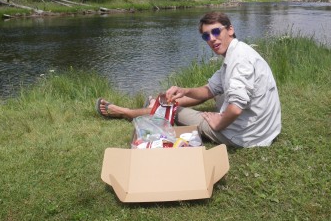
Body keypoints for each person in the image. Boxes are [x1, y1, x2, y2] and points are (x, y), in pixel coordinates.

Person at [96, 11, 281, 148]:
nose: (212, 39)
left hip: (245, 135)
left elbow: (236, 108)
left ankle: (128, 112)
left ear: (230, 29)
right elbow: (208, 90)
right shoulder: (237, 53)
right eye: (206, 36)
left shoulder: (240, 61)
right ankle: (154, 106)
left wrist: (219, 122)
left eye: (216, 32)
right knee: (202, 96)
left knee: (174, 110)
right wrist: (183, 91)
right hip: (262, 129)